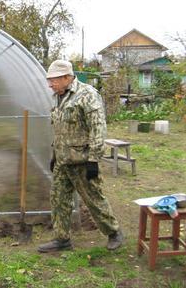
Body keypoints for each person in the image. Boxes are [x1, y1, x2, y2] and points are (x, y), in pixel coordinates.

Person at [37, 60, 124, 253]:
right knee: (58, 199)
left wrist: (94, 159)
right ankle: (62, 239)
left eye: (53, 80)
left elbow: (98, 129)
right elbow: (60, 129)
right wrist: (54, 155)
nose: (50, 85)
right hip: (63, 160)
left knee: (93, 199)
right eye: (49, 80)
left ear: (67, 77)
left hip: (82, 161)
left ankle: (114, 232)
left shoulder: (87, 95)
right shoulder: (59, 97)